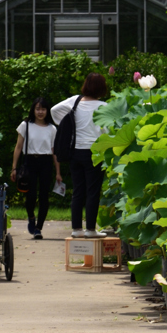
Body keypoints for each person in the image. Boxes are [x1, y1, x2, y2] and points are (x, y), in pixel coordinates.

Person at [51, 73, 108, 239]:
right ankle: (90, 229)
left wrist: (66, 122)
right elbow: (108, 130)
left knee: (78, 191)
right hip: (95, 152)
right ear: (102, 88)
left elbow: (54, 110)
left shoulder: (75, 101)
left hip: (75, 151)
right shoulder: (103, 106)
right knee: (92, 191)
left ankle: (76, 228)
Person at [9, 97, 62, 240]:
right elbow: (18, 147)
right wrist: (14, 168)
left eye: (43, 109)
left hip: (45, 162)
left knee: (44, 196)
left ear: (47, 111)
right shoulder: (25, 125)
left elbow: (54, 152)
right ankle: (31, 217)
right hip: (29, 162)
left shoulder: (52, 129)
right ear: (33, 109)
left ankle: (39, 228)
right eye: (37, 109)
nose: (40, 112)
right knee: (30, 195)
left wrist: (58, 172)